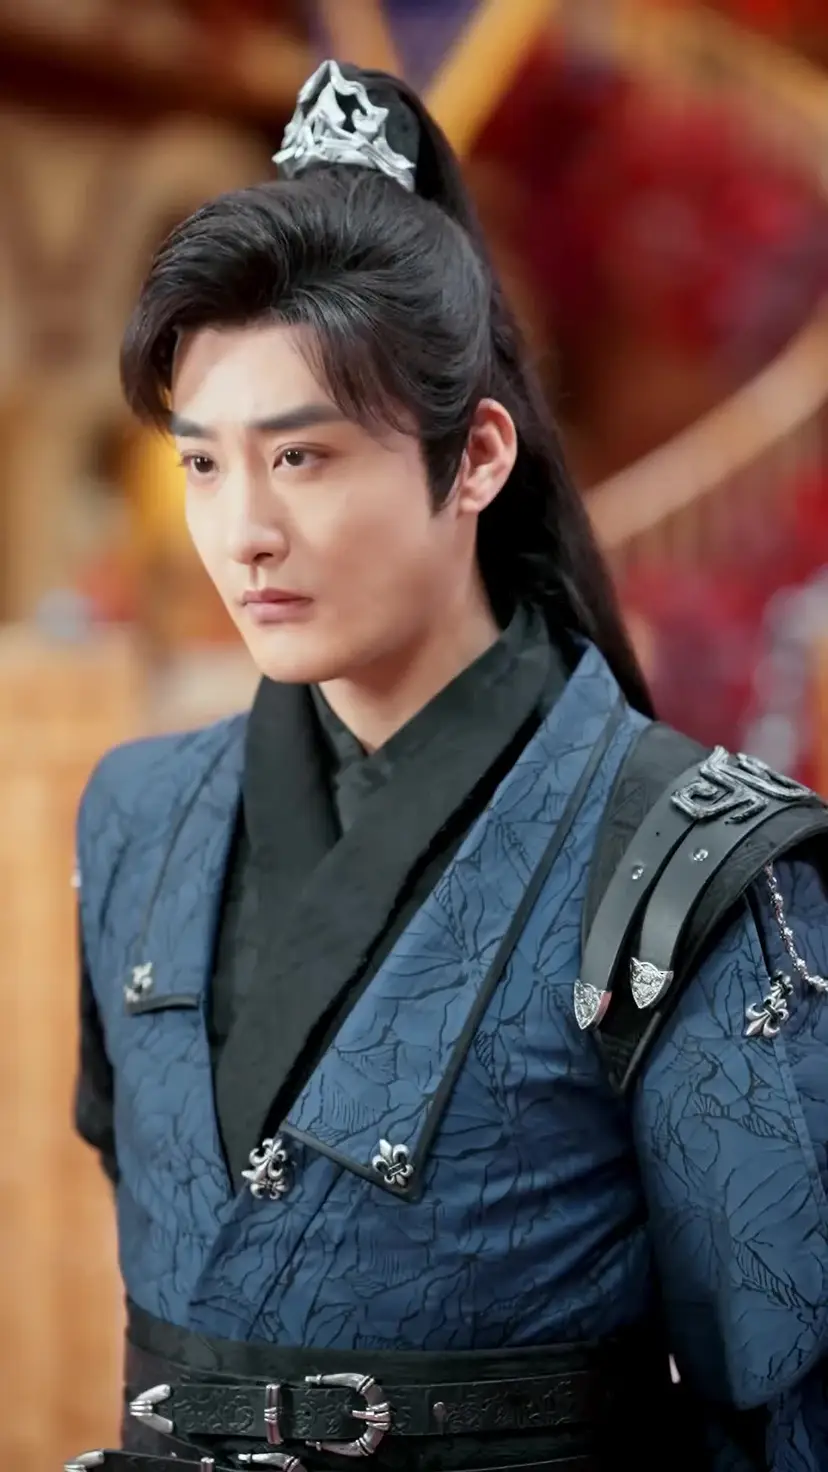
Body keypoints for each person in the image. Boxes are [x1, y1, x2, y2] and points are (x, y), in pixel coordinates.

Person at [68, 59, 828, 1472]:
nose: (242, 534)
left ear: (475, 457)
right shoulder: (134, 816)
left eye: (302, 459)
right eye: (204, 465)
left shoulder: (690, 865)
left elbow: (783, 1408)